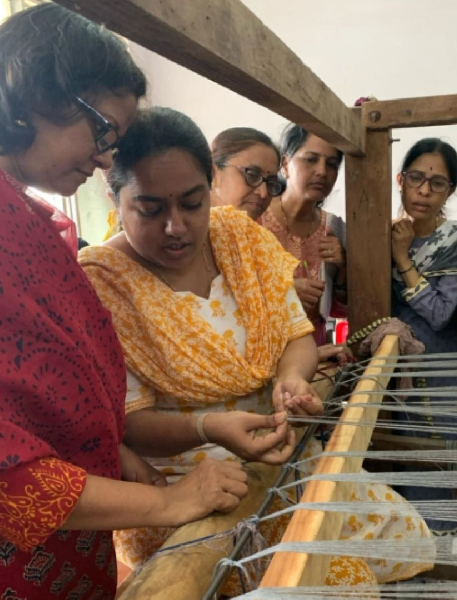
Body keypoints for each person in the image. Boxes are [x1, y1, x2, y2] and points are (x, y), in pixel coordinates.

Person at [80, 107, 435, 590]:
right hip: (184, 490)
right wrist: (208, 428)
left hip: (274, 454)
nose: (176, 226)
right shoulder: (101, 284)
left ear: (210, 185)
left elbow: (295, 336)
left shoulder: (241, 240)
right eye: (150, 209)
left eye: (192, 203)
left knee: (402, 534)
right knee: (339, 582)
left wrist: (290, 379)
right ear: (113, 195)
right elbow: (130, 424)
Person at [0, 6, 269, 599]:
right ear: (37, 94)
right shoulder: (87, 261)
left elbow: (53, 389)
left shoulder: (30, 222)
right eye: (102, 130)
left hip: (80, 533)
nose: (103, 156)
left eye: (113, 140)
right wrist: (170, 500)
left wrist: (115, 450)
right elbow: (9, 474)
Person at [391, 138, 457, 534]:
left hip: (441, 377)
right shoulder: (385, 231)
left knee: (438, 474)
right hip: (396, 377)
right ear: (400, 180)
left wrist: (402, 258)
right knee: (401, 478)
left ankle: (440, 560)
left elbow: (441, 314)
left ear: (449, 190)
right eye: (416, 178)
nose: (424, 191)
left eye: (437, 183)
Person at [262, 124, 348, 361]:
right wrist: (284, 293)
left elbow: (339, 311)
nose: (322, 171)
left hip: (315, 354)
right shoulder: (256, 219)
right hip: (261, 355)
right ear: (285, 165)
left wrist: (343, 268)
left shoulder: (335, 229)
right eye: (311, 160)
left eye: (332, 164)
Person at [211, 126, 284, 221]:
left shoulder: (257, 230)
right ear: (213, 174)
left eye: (271, 183)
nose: (264, 193)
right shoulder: (192, 227)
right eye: (252, 175)